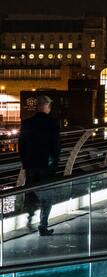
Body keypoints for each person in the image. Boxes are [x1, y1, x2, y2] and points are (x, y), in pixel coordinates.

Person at [19, 95, 61, 236]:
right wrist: (55, 162)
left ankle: (29, 218)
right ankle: (43, 226)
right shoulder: (52, 122)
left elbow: (21, 145)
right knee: (47, 197)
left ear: (38, 106)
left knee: (31, 192)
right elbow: (56, 146)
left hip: (30, 164)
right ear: (47, 106)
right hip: (46, 165)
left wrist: (25, 163)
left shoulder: (27, 123)